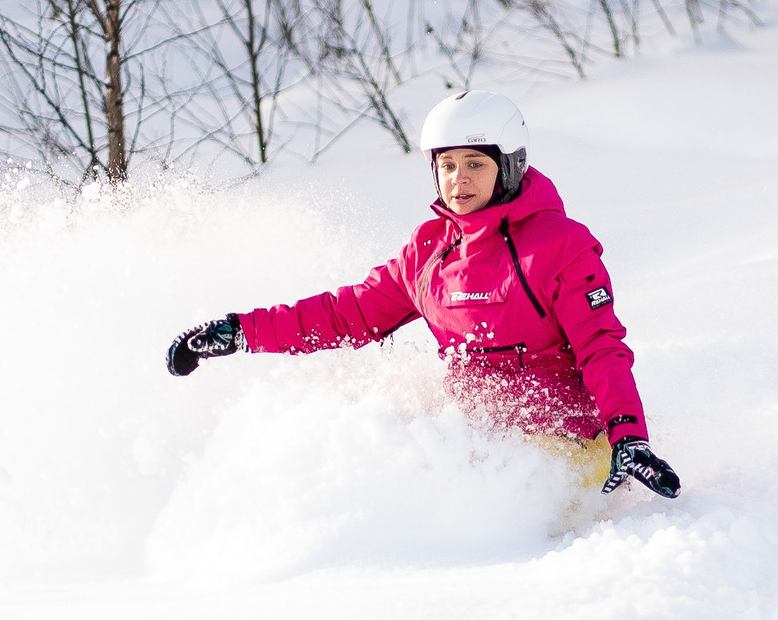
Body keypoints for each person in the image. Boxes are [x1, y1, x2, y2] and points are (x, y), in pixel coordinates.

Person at [166, 90, 682, 500]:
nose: (459, 179)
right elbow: (346, 314)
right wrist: (239, 332)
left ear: (509, 165)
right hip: (479, 447)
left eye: (475, 163)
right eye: (447, 164)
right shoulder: (428, 251)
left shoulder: (560, 246)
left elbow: (601, 348)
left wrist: (628, 436)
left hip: (567, 455)